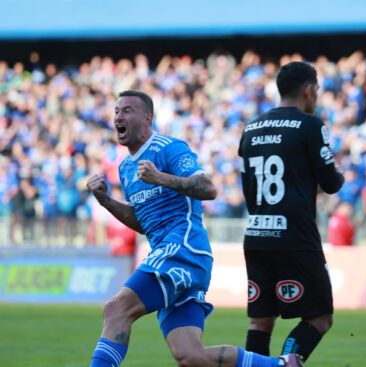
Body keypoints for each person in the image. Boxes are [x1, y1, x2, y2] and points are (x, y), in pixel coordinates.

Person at [87, 90, 302, 367]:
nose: (118, 116)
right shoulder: (127, 168)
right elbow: (144, 223)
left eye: (127, 110)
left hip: (184, 248)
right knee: (190, 356)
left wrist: (160, 177)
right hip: (176, 255)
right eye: (116, 111)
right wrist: (106, 201)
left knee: (116, 310)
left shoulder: (169, 148)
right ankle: (282, 365)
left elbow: (209, 188)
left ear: (148, 118)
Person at [238, 62, 344, 364]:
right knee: (320, 316)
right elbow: (330, 183)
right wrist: (340, 175)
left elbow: (247, 187)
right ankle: (286, 363)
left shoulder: (251, 128)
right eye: (318, 91)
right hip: (295, 237)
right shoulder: (311, 125)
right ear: (308, 91)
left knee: (261, 321)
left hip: (256, 234)